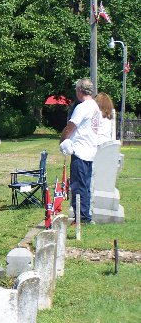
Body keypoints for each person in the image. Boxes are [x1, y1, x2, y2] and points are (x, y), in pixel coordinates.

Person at [60, 78, 100, 224]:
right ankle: (85, 215)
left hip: (80, 151)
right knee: (86, 187)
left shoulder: (82, 107)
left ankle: (81, 218)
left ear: (79, 90)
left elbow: (71, 126)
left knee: (78, 186)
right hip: (90, 150)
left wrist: (63, 140)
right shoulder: (95, 107)